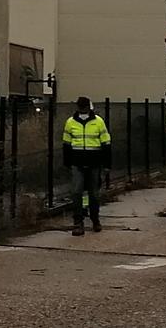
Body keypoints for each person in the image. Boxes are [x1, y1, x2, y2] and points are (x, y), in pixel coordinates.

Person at [62, 96, 111, 236]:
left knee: (93, 194)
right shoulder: (70, 123)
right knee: (77, 192)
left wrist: (107, 164)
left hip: (94, 163)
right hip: (77, 163)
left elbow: (106, 144)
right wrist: (67, 163)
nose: (83, 109)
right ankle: (78, 222)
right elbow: (66, 144)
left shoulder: (98, 122)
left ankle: (95, 219)